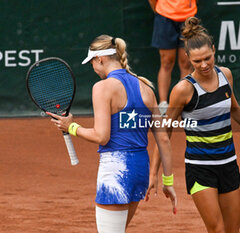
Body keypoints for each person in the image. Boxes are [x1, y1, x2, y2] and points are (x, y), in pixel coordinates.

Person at [151, 17, 240, 233]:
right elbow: (164, 133)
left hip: (228, 165)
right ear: (187, 58)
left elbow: (234, 109)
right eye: (196, 61)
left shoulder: (226, 76)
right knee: (217, 230)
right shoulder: (183, 90)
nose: (203, 64)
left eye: (207, 58)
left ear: (214, 50)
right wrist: (154, 174)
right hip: (200, 169)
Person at [47, 35, 176, 233]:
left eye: (92, 62)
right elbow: (164, 139)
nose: (93, 67)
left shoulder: (102, 87)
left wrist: (71, 127)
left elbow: (101, 136)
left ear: (100, 59)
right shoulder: (146, 88)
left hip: (116, 171)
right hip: (140, 170)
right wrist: (167, 180)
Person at [148, 0, 197, 115]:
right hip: (164, 16)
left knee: (186, 62)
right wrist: (161, 10)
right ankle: (163, 103)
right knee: (166, 62)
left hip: (189, 17)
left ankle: (184, 102)